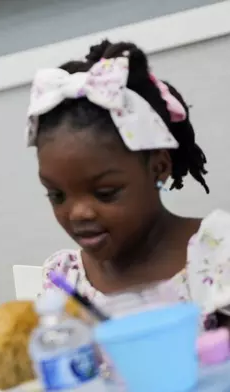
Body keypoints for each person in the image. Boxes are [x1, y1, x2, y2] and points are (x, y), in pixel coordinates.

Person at [27, 40, 230, 326]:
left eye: (105, 193)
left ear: (158, 167)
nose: (78, 213)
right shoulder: (64, 281)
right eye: (57, 195)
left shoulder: (219, 253)